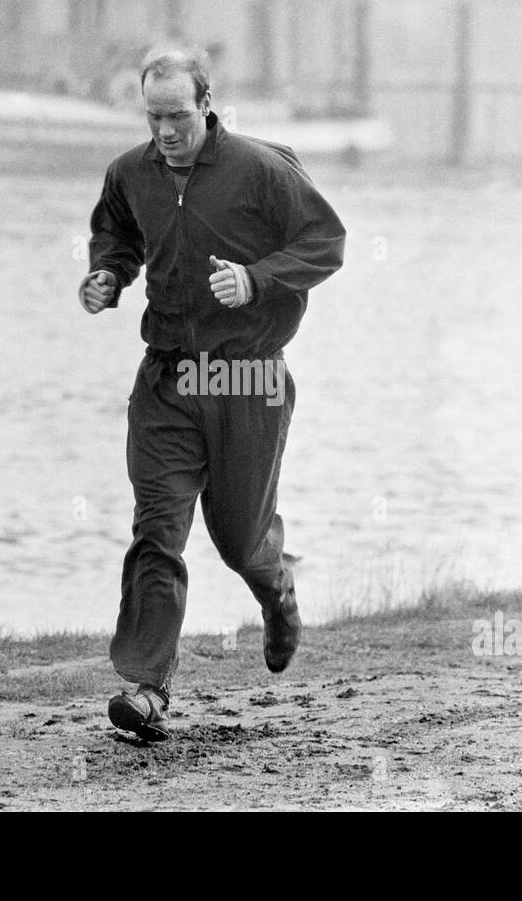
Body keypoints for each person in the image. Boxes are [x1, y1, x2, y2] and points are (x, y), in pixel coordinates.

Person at [80, 46, 346, 741]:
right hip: (168, 377)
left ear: (206, 103)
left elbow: (327, 241)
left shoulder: (260, 170)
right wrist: (108, 274)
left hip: (246, 376)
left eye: (177, 116)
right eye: (153, 117)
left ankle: (277, 589)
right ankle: (146, 687)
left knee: (236, 535)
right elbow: (117, 232)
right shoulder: (131, 173)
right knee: (157, 530)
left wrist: (257, 279)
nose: (166, 131)